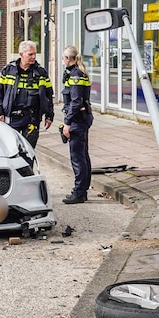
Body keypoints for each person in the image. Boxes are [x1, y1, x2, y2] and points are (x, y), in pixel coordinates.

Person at [0, 40, 54, 148]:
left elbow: (48, 95)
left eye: (35, 54)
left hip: (32, 118)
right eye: (30, 54)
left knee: (28, 152)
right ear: (21, 54)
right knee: (12, 149)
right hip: (12, 118)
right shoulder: (8, 71)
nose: (34, 57)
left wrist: (49, 115)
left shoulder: (41, 73)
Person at [60, 46, 94, 204]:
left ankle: (79, 192)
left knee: (77, 158)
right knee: (83, 156)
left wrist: (67, 123)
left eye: (63, 58)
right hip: (82, 118)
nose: (62, 61)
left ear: (68, 59)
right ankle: (83, 190)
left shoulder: (75, 75)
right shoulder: (79, 73)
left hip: (77, 120)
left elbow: (75, 102)